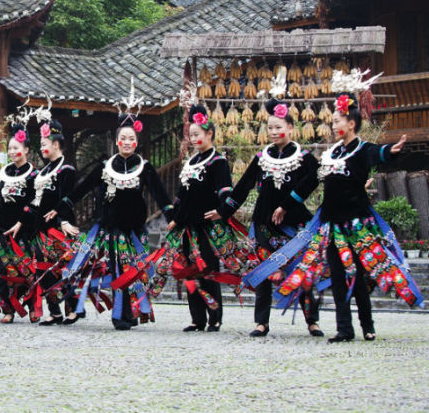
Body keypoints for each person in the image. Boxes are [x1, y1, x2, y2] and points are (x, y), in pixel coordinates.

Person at [246, 81, 421, 342]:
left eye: (338, 120)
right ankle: (344, 329)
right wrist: (285, 206)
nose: (334, 125)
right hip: (332, 225)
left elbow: (378, 153)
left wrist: (390, 152)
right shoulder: (331, 155)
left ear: (351, 123)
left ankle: (368, 325)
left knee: (358, 275)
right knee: (338, 276)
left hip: (358, 224)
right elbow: (308, 184)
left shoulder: (362, 150)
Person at [51, 90, 173, 330]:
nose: (127, 142)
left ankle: (129, 313)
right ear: (117, 140)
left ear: (136, 142)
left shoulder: (144, 168)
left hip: (136, 230)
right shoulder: (105, 167)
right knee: (119, 269)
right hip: (111, 229)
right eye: (123, 138)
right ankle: (121, 316)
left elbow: (162, 196)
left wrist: (172, 218)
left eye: (131, 139)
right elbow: (80, 190)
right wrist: (61, 209)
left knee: (135, 271)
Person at [206, 95, 322, 337]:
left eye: (278, 127)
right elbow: (242, 188)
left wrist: (288, 205)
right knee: (263, 274)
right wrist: (223, 211)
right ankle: (261, 322)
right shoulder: (262, 158)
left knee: (303, 273)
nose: (273, 132)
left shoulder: (304, 157)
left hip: (294, 226)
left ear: (290, 127)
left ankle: (312, 321)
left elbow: (315, 180)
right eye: (270, 128)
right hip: (264, 226)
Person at [163, 102, 253, 333]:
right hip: (186, 226)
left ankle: (214, 317)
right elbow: (181, 196)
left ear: (209, 133)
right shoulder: (190, 163)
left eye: (197, 134)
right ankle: (197, 318)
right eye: (190, 135)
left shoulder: (218, 162)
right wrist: (174, 217)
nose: (193, 139)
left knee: (208, 271)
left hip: (206, 226)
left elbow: (225, 190)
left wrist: (222, 211)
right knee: (189, 272)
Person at [28, 104, 79, 326]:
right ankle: (54, 310)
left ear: (56, 144)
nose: (41, 148)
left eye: (44, 144)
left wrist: (63, 220)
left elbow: (66, 200)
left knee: (62, 268)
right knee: (44, 269)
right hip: (41, 228)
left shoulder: (65, 170)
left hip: (59, 228)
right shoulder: (42, 171)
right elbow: (35, 200)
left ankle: (72, 308)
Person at [0, 115, 38, 323]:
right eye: (9, 148)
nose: (12, 152)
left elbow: (35, 200)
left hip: (23, 229)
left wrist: (22, 222)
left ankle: (33, 307)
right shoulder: (3, 173)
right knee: (2, 269)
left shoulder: (34, 175)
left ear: (27, 149)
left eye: (16, 148)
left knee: (26, 268)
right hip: (3, 227)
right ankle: (8, 309)